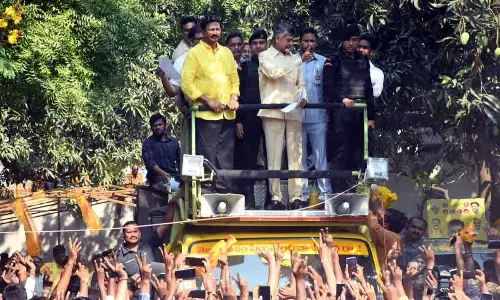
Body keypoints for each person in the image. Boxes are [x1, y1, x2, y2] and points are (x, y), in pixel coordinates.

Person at [181, 15, 240, 193]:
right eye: (211, 30)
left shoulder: (226, 52)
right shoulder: (194, 54)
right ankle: (209, 193)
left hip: (227, 113)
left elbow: (234, 78)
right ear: (204, 32)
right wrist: (208, 101)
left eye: (218, 29)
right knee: (208, 155)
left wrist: (234, 97)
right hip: (206, 113)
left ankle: (224, 192)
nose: (215, 33)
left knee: (226, 155)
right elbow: (186, 84)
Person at [258, 22, 307, 210]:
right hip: (273, 112)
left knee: (296, 156)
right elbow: (273, 73)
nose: (290, 44)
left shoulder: (295, 58)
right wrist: (297, 60)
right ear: (277, 38)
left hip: (294, 111)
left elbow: (301, 84)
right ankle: (276, 197)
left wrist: (304, 96)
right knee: (274, 156)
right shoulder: (265, 56)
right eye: (288, 40)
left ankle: (295, 198)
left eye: (292, 41)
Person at [323, 24, 375, 193]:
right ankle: (337, 192)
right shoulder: (333, 60)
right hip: (341, 112)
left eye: (354, 40)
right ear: (342, 41)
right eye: (348, 40)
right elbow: (328, 87)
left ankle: (354, 189)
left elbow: (368, 89)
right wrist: (342, 98)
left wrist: (372, 117)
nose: (351, 44)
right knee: (341, 152)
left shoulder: (363, 59)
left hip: (360, 112)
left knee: (358, 152)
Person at [234, 29, 269, 209]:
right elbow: (237, 94)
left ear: (267, 44)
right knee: (248, 156)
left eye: (261, 43)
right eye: (254, 43)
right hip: (250, 115)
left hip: (272, 114)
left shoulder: (274, 65)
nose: (258, 46)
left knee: (272, 156)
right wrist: (238, 120)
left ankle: (273, 198)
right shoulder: (245, 67)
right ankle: (249, 199)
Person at [297, 27, 332, 204]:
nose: (309, 44)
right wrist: (300, 61)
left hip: (318, 116)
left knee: (320, 157)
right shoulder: (293, 61)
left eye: (312, 41)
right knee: (299, 157)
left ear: (316, 42)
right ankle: (302, 195)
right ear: (300, 42)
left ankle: (325, 194)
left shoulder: (324, 62)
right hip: (296, 116)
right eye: (305, 41)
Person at [141, 113, 181, 193]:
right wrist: (165, 175)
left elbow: (180, 160)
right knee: (165, 187)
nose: (157, 127)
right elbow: (151, 163)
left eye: (160, 124)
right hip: (157, 179)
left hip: (174, 176)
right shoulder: (147, 143)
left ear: (165, 125)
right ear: (151, 128)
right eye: (154, 125)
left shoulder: (173, 142)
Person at [358, 33, 384, 98]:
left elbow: (376, 93)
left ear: (372, 52)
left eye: (365, 47)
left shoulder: (377, 73)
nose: (361, 50)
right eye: (359, 47)